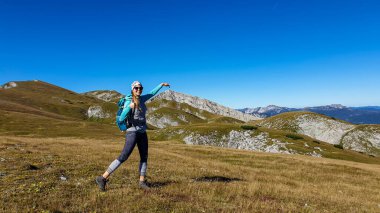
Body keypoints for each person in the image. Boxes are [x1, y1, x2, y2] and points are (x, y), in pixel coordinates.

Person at [96, 81, 170, 191]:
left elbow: (152, 93)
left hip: (142, 132)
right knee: (124, 156)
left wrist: (161, 85)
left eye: (140, 88)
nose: (139, 90)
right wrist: (129, 107)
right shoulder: (128, 101)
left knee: (144, 157)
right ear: (132, 89)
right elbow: (121, 118)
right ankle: (102, 178)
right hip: (132, 132)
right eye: (136, 88)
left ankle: (142, 182)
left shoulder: (142, 99)